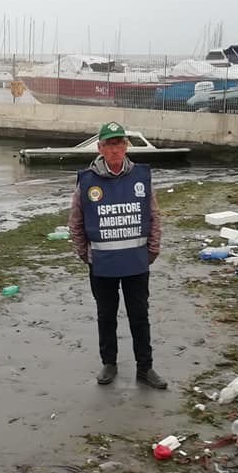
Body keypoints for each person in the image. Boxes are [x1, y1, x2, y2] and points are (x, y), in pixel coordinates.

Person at [68, 121, 167, 388]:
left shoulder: (141, 178)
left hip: (136, 263)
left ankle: (145, 368)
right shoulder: (87, 181)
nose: (115, 149)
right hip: (102, 266)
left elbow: (154, 216)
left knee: (139, 315)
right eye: (109, 144)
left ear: (126, 146)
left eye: (119, 143)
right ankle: (109, 363)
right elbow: (76, 222)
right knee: (106, 315)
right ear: (100, 148)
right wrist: (85, 254)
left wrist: (153, 250)